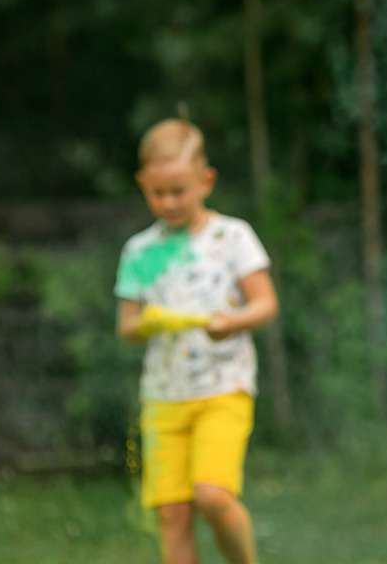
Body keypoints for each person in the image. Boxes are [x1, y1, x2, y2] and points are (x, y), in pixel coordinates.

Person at [115, 119, 279, 564]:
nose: (168, 202)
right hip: (164, 397)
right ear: (143, 184)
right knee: (172, 513)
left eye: (179, 191)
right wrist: (148, 323)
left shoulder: (232, 237)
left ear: (205, 181)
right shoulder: (139, 252)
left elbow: (265, 304)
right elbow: (126, 326)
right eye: (158, 192)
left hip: (224, 390)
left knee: (211, 495)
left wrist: (234, 320)